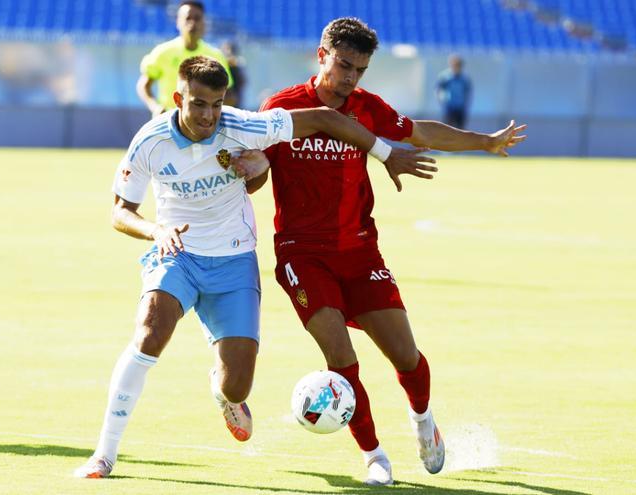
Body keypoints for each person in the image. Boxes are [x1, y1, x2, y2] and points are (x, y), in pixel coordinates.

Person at [74, 55, 435, 479]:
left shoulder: (243, 125)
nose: (209, 115)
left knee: (237, 384)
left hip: (233, 262)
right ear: (178, 99)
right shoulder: (150, 141)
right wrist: (156, 231)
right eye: (199, 104)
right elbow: (120, 211)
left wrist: (383, 152)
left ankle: (225, 394)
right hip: (178, 254)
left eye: (217, 104)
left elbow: (323, 118)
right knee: (151, 330)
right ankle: (104, 454)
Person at [256, 18, 525, 486]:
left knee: (407, 357)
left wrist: (483, 142)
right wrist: (246, 168)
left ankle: (423, 421)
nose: (350, 78)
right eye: (343, 65)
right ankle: (374, 456)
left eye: (359, 69)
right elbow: (259, 166)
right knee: (341, 358)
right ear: (321, 55)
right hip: (303, 255)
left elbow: (418, 132)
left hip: (360, 253)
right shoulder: (282, 107)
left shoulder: (366, 107)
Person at [136, 1, 233, 119]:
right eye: (188, 18)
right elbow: (143, 86)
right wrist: (155, 106)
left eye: (197, 18)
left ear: (204, 23)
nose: (192, 23)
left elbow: (227, 93)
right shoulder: (163, 52)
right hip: (168, 120)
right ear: (178, 22)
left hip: (202, 123)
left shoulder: (215, 56)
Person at [436, 54, 473, 129]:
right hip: (449, 107)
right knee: (448, 130)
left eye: (458, 65)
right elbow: (438, 89)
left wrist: (466, 104)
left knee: (460, 131)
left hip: (460, 107)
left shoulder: (464, 78)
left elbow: (468, 92)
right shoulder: (445, 77)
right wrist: (441, 100)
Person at [221, 41, 247, 108]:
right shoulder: (221, 61)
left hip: (235, 96)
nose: (228, 52)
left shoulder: (239, 63)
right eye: (226, 49)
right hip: (224, 96)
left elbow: (243, 81)